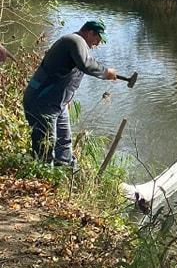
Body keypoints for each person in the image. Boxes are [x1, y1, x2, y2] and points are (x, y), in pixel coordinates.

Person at [23, 19, 118, 167]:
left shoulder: (79, 46)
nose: (97, 44)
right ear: (89, 32)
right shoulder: (74, 40)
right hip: (41, 100)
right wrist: (106, 72)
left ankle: (65, 173)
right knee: (46, 143)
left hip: (58, 103)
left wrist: (67, 99)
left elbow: (70, 77)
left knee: (64, 143)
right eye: (97, 39)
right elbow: (86, 65)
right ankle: (41, 176)